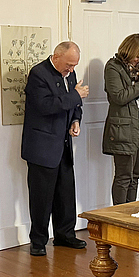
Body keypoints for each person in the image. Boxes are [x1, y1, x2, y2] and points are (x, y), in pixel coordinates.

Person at [21, 41, 89, 256]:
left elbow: (74, 106)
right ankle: (38, 241)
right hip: (42, 146)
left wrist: (76, 120)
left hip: (64, 144)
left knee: (65, 193)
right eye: (69, 64)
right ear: (56, 56)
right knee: (41, 197)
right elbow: (46, 106)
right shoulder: (39, 74)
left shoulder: (70, 74)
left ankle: (65, 235)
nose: (71, 70)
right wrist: (76, 96)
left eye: (75, 65)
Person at [102, 34, 139, 204]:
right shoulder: (112, 67)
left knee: (135, 176)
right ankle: (119, 218)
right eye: (138, 56)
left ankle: (131, 216)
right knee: (123, 177)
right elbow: (119, 97)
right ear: (128, 51)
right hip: (123, 130)